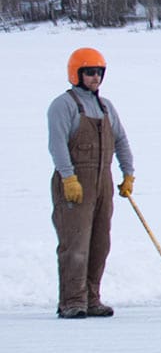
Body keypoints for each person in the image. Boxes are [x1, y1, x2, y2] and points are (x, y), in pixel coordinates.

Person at [48, 47, 136, 319]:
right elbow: (57, 145)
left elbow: (120, 140)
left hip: (103, 181)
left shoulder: (105, 106)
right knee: (75, 242)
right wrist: (68, 177)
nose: (95, 77)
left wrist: (128, 173)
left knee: (100, 242)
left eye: (98, 72)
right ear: (76, 74)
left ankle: (92, 298)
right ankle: (72, 301)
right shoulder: (64, 105)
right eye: (89, 72)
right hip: (75, 182)